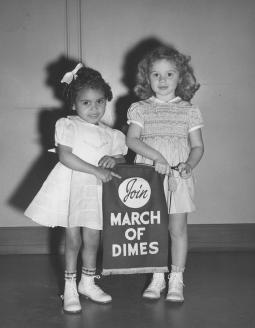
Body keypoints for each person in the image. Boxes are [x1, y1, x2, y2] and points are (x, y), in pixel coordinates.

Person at [25, 63, 127, 313]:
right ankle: (70, 285)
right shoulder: (68, 124)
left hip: (97, 190)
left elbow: (122, 156)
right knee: (73, 238)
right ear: (74, 104)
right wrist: (96, 170)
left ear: (106, 101)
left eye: (100, 102)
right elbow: (65, 157)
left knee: (93, 238)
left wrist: (115, 160)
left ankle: (88, 282)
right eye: (86, 103)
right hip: (72, 186)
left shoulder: (112, 134)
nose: (94, 108)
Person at [126, 45, 204, 302]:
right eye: (156, 74)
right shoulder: (140, 108)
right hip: (149, 175)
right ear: (146, 78)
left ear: (181, 77)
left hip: (176, 177)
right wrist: (157, 157)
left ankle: (176, 279)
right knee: (152, 228)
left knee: (177, 228)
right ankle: (157, 276)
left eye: (169, 74)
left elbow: (197, 146)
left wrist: (189, 165)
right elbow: (133, 141)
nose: (162, 80)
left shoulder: (189, 110)